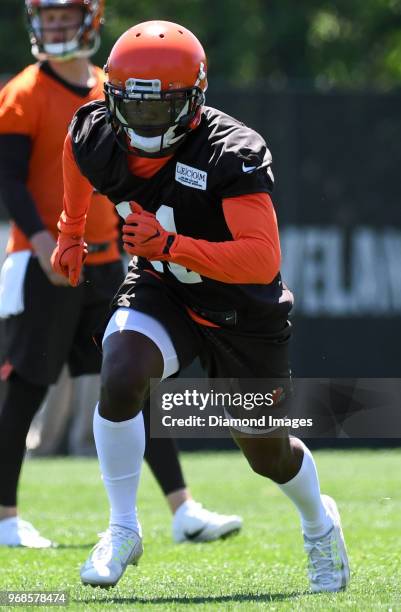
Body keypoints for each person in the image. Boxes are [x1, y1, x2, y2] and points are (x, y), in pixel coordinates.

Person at [52, 19, 350, 593]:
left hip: (241, 312)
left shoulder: (230, 150)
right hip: (164, 288)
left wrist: (168, 245)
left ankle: (319, 522)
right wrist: (69, 230)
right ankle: (122, 528)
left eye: (158, 110)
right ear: (112, 97)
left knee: (266, 453)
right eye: (132, 109)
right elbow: (74, 146)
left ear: (193, 101)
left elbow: (261, 260)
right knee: (121, 371)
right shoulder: (95, 130)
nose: (142, 125)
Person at [0, 1, 242, 549]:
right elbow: (10, 181)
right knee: (27, 385)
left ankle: (182, 509)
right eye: (50, 19)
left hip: (111, 259)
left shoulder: (122, 82)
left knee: (135, 382)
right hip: (48, 263)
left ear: (90, 21)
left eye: (66, 18)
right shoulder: (21, 93)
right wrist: (46, 243)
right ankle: (4, 517)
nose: (56, 28)